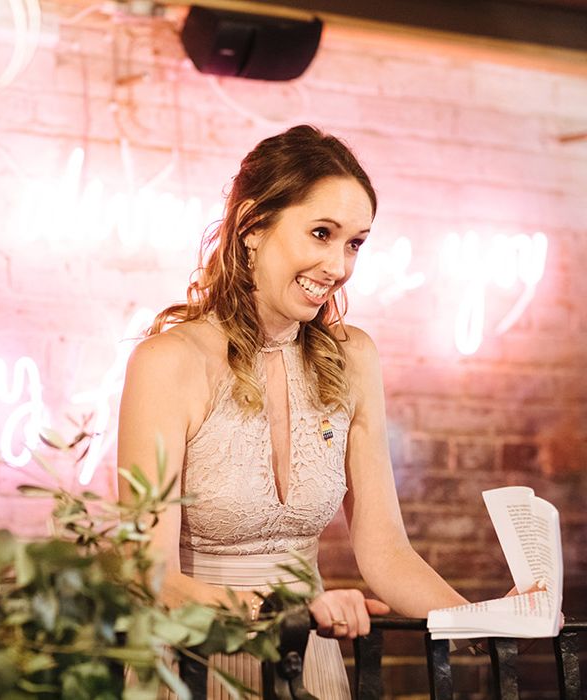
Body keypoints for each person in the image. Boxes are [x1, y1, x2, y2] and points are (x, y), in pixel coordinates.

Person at [117, 125, 472, 699]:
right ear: (254, 226)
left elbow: (385, 552)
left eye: (354, 243)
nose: (338, 264)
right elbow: (146, 570)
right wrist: (283, 611)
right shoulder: (167, 362)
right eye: (322, 234)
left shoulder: (354, 356)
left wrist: (480, 620)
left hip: (310, 665)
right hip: (195, 663)